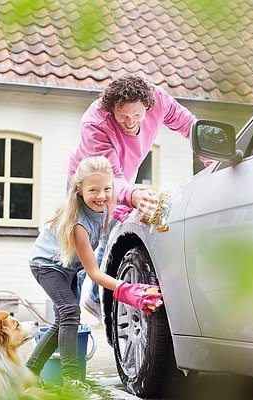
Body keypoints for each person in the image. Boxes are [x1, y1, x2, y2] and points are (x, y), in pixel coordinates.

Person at [68, 73, 204, 321]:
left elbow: (190, 126)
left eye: (137, 116)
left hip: (122, 181)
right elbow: (110, 178)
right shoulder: (94, 123)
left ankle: (96, 298)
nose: (130, 123)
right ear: (111, 111)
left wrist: (210, 156)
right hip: (89, 183)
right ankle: (68, 317)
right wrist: (134, 193)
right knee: (80, 252)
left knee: (115, 228)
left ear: (148, 107)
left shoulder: (159, 100)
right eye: (123, 116)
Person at [26, 156, 163, 388]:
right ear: (79, 191)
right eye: (93, 190)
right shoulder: (78, 223)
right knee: (70, 312)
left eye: (107, 189)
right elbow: (94, 273)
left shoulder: (104, 205)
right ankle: (72, 380)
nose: (101, 196)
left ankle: (28, 373)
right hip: (46, 266)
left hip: (68, 267)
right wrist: (126, 289)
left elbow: (121, 209)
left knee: (63, 320)